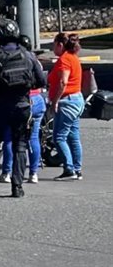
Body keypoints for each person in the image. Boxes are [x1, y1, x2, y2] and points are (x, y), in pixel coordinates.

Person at [0, 19, 45, 198]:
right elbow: (41, 81)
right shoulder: (28, 55)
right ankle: (17, 187)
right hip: (22, 107)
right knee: (20, 145)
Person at [0, 35, 47, 184]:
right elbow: (41, 82)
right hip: (37, 100)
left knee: (10, 138)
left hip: (20, 100)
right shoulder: (35, 60)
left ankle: (7, 172)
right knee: (33, 138)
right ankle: (33, 173)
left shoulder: (16, 59)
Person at [48, 32, 84, 180]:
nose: (52, 48)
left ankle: (69, 169)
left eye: (53, 44)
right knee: (73, 137)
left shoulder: (64, 60)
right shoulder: (73, 58)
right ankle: (77, 169)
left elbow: (63, 82)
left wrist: (55, 101)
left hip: (67, 101)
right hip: (76, 99)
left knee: (59, 137)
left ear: (60, 45)